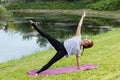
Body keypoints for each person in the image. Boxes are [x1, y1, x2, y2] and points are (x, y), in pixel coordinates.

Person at [29, 11, 93, 76]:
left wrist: (79, 67)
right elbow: (79, 25)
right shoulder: (78, 36)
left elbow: (78, 58)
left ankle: (37, 73)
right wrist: (83, 16)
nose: (87, 40)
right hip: (60, 45)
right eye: (88, 39)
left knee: (50, 62)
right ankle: (34, 26)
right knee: (47, 36)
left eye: (88, 41)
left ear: (86, 45)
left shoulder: (78, 50)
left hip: (62, 52)